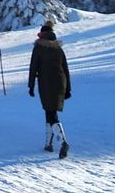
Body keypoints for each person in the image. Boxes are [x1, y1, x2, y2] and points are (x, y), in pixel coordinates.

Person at [28, 20, 72, 159]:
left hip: (46, 83)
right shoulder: (58, 48)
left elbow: (33, 67)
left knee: (51, 113)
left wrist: (31, 86)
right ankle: (48, 143)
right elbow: (65, 69)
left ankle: (63, 141)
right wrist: (68, 88)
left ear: (42, 34)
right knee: (50, 111)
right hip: (60, 82)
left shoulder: (39, 48)